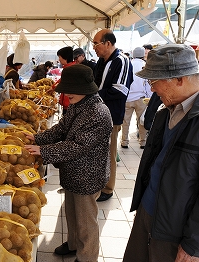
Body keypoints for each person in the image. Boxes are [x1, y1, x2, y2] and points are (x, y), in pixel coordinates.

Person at [24, 64, 112, 262]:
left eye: (70, 91)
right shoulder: (78, 105)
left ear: (83, 89)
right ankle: (73, 244)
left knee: (86, 220)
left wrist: (44, 151)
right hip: (74, 171)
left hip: (88, 175)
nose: (66, 94)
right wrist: (38, 138)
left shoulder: (98, 112)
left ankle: (87, 256)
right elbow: (60, 129)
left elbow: (78, 145)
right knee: (72, 213)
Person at [123, 44, 199, 261]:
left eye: (154, 82)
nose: (152, 89)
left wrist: (194, 243)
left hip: (175, 230)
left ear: (179, 79)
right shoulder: (165, 111)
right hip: (148, 212)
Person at [93, 29, 133, 202]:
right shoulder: (101, 62)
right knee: (97, 152)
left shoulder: (121, 61)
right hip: (96, 113)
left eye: (96, 43)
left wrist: (92, 97)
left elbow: (120, 90)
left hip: (111, 115)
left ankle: (108, 189)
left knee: (108, 153)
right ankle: (96, 183)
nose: (94, 47)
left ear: (108, 43)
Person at [121, 46, 152, 149]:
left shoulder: (128, 64)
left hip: (127, 98)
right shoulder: (145, 65)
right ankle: (143, 142)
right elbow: (148, 84)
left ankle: (124, 141)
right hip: (141, 98)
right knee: (142, 121)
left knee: (126, 122)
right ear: (143, 54)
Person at [53, 46, 75, 115]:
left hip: (69, 102)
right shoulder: (69, 67)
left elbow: (63, 83)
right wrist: (52, 87)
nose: (59, 59)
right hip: (68, 102)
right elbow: (61, 80)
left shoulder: (70, 69)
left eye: (60, 57)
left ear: (65, 57)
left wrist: (53, 88)